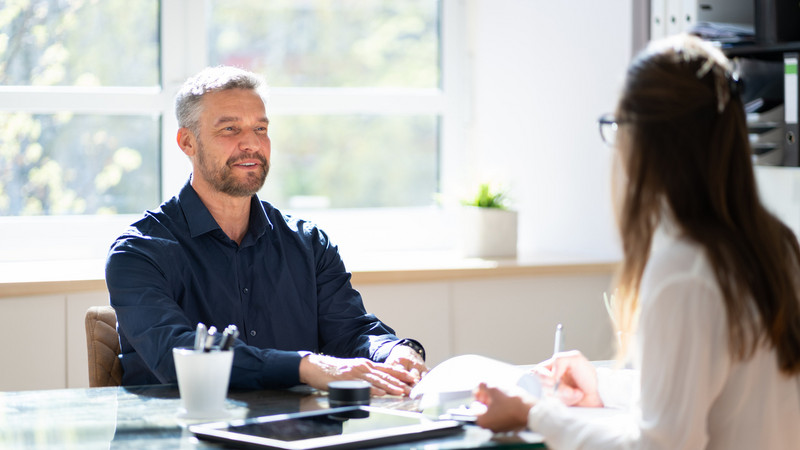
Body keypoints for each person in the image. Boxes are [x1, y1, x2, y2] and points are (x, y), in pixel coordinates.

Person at [474, 34, 800, 449]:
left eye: (616, 124)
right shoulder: (777, 246)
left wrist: (534, 414)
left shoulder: (684, 269)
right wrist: (605, 386)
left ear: (646, 138)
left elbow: (658, 445)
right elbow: (716, 390)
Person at [105, 66, 427, 395]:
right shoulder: (138, 253)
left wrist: (394, 350)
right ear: (188, 142)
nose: (251, 143)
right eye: (230, 128)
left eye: (260, 128)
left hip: (296, 439)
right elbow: (177, 355)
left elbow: (353, 331)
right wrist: (306, 366)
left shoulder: (308, 244)